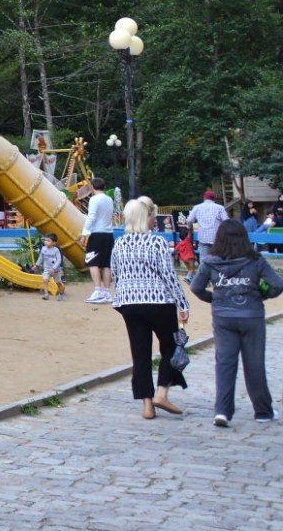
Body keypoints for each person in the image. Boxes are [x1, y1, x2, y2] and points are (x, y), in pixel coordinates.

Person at [190, 218, 283, 426]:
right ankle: (263, 411)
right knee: (255, 364)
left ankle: (222, 411)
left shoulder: (211, 261)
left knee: (224, 364)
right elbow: (277, 284)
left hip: (223, 317)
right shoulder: (255, 259)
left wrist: (212, 298)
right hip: (252, 315)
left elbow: (196, 287)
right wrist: (261, 295)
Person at [111, 196, 190, 420]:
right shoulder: (156, 242)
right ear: (145, 218)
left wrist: (123, 298)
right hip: (158, 301)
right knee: (171, 346)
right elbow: (169, 276)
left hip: (130, 304)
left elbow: (116, 275)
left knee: (140, 353)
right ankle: (162, 393)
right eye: (152, 215)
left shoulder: (119, 244)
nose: (155, 218)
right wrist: (182, 303)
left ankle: (147, 404)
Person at [81, 177, 116, 303]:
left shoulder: (94, 199)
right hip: (108, 234)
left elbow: (91, 217)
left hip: (97, 234)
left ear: (92, 187)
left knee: (92, 262)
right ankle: (107, 293)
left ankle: (98, 291)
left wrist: (84, 233)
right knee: (107, 263)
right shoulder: (109, 199)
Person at [187, 190, 230, 262]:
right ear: (214, 198)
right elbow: (226, 221)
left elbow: (189, 220)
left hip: (203, 237)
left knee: (203, 260)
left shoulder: (197, 207)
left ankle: (204, 272)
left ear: (204, 197)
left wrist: (189, 228)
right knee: (218, 260)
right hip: (217, 238)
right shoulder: (220, 208)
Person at [30, 233, 66, 300]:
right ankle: (46, 294)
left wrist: (54, 268)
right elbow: (40, 258)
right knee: (45, 280)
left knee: (58, 283)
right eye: (45, 240)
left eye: (48, 240)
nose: (46, 242)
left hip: (55, 270)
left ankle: (61, 294)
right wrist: (36, 265)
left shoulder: (56, 250)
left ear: (54, 243)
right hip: (47, 269)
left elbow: (59, 260)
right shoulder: (43, 249)